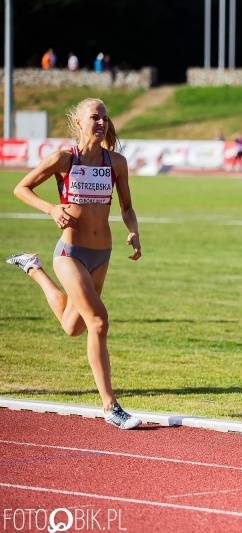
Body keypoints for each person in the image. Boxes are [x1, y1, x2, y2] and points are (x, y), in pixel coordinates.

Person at [5, 98, 142, 430]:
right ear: (79, 123)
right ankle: (111, 406)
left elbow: (126, 207)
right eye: (94, 117)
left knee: (73, 327)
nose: (101, 122)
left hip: (102, 254)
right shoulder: (64, 159)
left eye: (105, 118)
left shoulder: (117, 163)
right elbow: (20, 188)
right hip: (70, 254)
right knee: (98, 322)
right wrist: (52, 209)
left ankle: (33, 268)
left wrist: (133, 230)